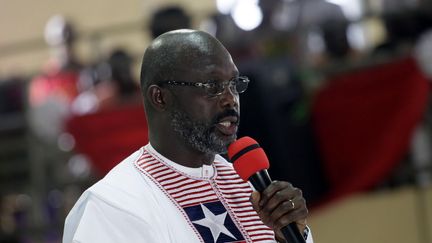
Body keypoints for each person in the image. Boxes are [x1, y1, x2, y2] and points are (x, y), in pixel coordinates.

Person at [63, 29, 313, 243]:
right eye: (212, 87)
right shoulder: (112, 206)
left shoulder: (248, 187)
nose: (230, 99)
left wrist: (290, 236)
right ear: (160, 97)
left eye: (234, 84)